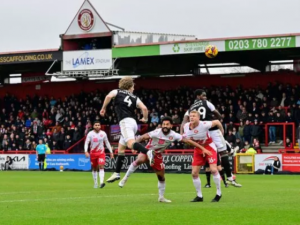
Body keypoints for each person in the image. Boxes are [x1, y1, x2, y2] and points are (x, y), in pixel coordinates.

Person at [118, 116, 212, 203]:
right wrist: (135, 147)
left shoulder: (174, 135)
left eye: (167, 124)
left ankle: (161, 197)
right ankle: (125, 178)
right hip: (148, 151)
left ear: (171, 125)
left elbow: (188, 141)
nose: (165, 126)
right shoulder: (156, 132)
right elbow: (142, 137)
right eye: (163, 124)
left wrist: (203, 148)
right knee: (140, 159)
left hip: (158, 155)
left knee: (161, 177)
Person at [181, 89, 242, 187]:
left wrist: (182, 134)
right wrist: (216, 120)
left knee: (209, 151)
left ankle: (227, 150)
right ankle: (230, 178)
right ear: (198, 96)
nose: (205, 97)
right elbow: (217, 114)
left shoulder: (191, 108)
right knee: (223, 153)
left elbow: (184, 121)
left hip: (201, 131)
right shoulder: (207, 103)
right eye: (203, 95)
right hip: (211, 129)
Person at [100, 77, 152, 183]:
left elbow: (108, 96)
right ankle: (117, 173)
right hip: (133, 123)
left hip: (125, 122)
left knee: (130, 144)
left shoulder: (116, 91)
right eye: (133, 86)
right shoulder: (135, 97)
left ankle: (148, 152)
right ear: (129, 86)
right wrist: (145, 119)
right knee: (121, 149)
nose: (133, 89)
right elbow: (145, 109)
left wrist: (104, 107)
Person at [183, 111, 224, 202]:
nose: (191, 118)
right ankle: (199, 196)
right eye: (190, 116)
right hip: (198, 149)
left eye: (194, 116)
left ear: (199, 118)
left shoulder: (204, 124)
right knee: (194, 173)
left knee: (213, 169)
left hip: (209, 147)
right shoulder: (186, 126)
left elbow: (217, 121)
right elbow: (186, 138)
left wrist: (222, 132)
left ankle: (218, 193)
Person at [84, 121, 114, 188]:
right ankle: (95, 183)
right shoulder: (90, 134)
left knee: (101, 166)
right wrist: (86, 151)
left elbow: (107, 143)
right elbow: (86, 143)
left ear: (100, 126)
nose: (97, 126)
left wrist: (111, 152)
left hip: (101, 153)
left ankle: (101, 183)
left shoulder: (103, 133)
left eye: (98, 125)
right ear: (93, 126)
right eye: (96, 125)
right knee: (94, 168)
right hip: (93, 154)